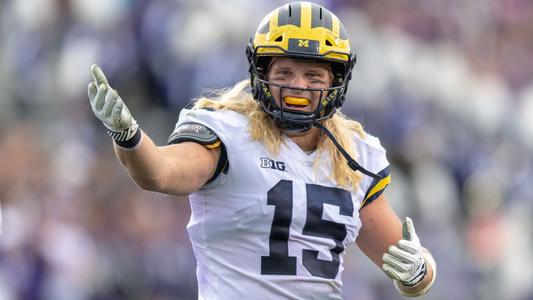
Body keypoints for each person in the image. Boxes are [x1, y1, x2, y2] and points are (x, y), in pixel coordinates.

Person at [88, 1, 436, 299]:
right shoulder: (227, 132)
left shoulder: (355, 154)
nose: (298, 87)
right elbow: (160, 173)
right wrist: (129, 137)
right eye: (285, 72)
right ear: (261, 72)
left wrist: (420, 269)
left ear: (335, 83)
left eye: (313, 76)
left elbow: (406, 268)